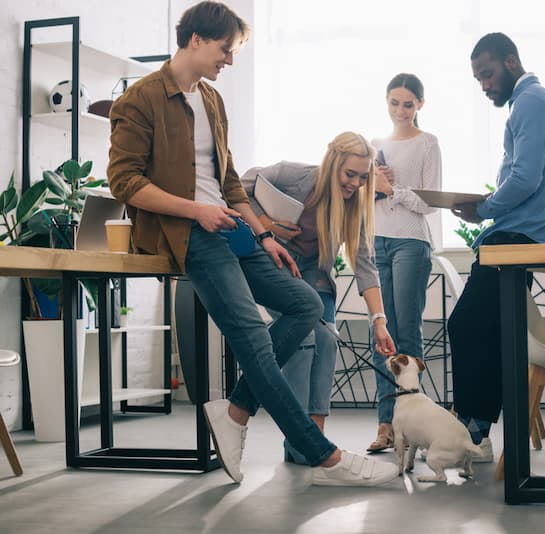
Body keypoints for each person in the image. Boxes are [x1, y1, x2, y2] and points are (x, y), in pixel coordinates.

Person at [107, 1, 397, 487]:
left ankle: (236, 410)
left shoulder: (211, 100)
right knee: (255, 341)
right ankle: (324, 455)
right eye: (226, 50)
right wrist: (197, 210)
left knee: (306, 304)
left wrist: (262, 234)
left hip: (232, 231)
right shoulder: (140, 99)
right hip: (190, 233)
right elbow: (124, 181)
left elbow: (231, 184)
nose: (230, 61)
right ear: (196, 39)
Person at [448, 32, 545, 458]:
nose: (484, 85)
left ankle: (473, 431)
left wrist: (484, 209)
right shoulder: (540, 103)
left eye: (487, 74)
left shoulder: (530, 103)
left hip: (514, 238)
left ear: (511, 61)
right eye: (478, 79)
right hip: (527, 234)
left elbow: (524, 179)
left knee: (467, 325)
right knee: (492, 329)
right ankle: (477, 427)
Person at [240, 132, 397, 464]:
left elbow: (366, 265)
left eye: (362, 177)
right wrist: (265, 225)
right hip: (276, 263)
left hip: (315, 272)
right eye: (349, 174)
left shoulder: (356, 204)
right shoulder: (293, 174)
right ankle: (300, 440)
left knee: (327, 342)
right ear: (332, 162)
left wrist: (379, 321)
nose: (355, 183)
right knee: (305, 339)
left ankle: (315, 439)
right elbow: (238, 188)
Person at [366, 73, 442, 452]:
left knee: (407, 335)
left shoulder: (428, 143)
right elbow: (361, 199)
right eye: (394, 103)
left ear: (420, 106)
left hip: (411, 242)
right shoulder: (375, 145)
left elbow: (429, 204)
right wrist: (371, 186)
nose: (400, 110)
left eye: (408, 104)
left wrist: (391, 189)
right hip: (375, 241)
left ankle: (412, 425)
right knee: (381, 335)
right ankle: (386, 425)